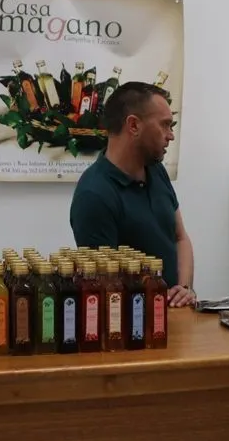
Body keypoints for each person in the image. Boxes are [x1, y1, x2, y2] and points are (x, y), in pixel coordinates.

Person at [68, 81, 196, 308]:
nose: (171, 136)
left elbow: (180, 238)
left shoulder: (156, 170)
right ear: (134, 125)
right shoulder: (94, 194)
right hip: (136, 321)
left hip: (175, 315)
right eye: (165, 125)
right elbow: (106, 287)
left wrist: (184, 289)